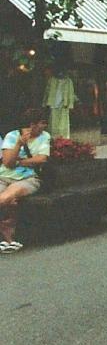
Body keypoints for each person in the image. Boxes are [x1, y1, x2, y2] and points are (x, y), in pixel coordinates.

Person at [0, 108, 51, 253]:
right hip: (3, 177)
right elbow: (8, 162)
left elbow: (41, 159)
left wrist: (20, 162)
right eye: (42, 123)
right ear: (32, 124)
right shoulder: (12, 136)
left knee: (5, 197)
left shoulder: (44, 136)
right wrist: (18, 145)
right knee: (9, 200)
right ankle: (8, 238)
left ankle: (6, 237)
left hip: (28, 178)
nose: (45, 126)